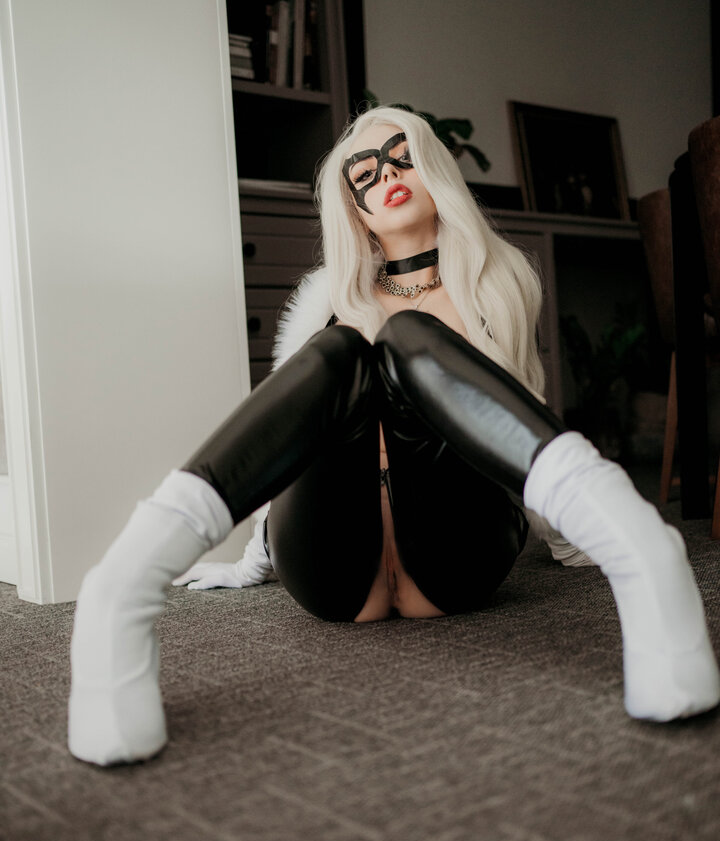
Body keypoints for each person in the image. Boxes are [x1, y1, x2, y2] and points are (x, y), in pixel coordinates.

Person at [69, 107, 720, 767]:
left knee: (407, 337)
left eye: (403, 158)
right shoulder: (330, 298)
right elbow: (289, 442)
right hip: (333, 567)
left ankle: (639, 547)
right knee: (342, 349)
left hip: (455, 546)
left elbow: (522, 411)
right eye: (366, 174)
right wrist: (250, 562)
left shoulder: (497, 280)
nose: (388, 177)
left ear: (435, 170)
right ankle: (124, 583)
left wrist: (576, 539)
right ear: (355, 212)